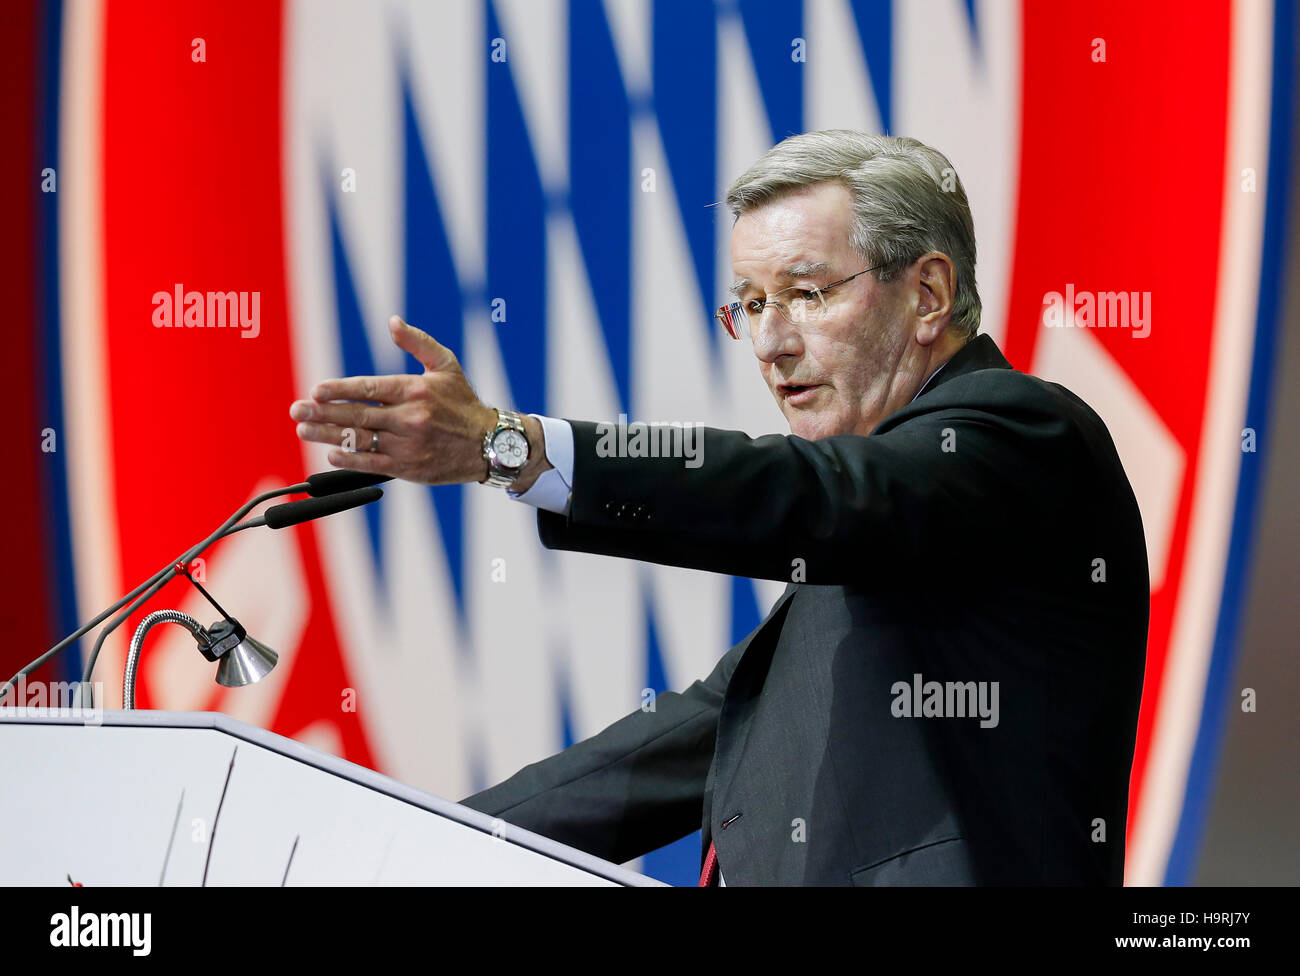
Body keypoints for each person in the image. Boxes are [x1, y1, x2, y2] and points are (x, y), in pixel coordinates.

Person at [289, 130, 1148, 885]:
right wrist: (411, 840)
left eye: (807, 294)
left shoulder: (1022, 436)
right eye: (751, 304)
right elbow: (676, 745)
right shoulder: (872, 546)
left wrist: (509, 446)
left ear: (926, 294)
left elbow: (815, 496)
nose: (772, 344)